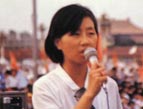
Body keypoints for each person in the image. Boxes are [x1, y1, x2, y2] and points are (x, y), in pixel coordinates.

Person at [32, 4, 123, 109]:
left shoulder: (109, 85)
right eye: (75, 34)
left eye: (91, 33)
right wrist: (89, 95)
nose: (85, 41)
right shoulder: (45, 87)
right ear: (58, 42)